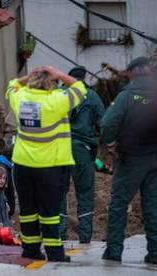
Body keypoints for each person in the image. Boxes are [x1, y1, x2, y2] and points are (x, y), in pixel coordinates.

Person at [6, 66, 87, 262]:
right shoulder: (56, 101)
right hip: (50, 167)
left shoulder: (21, 98)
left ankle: (31, 250)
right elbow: (80, 88)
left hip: (23, 166)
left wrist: (28, 76)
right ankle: (54, 253)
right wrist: (58, 73)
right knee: (50, 212)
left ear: (32, 82)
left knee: (27, 211)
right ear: (52, 83)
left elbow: (11, 86)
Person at [101, 57, 157, 265]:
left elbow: (107, 125)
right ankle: (155, 252)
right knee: (154, 206)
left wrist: (111, 142)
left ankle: (114, 251)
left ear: (132, 73)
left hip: (130, 159)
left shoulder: (126, 96)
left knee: (119, 205)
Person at [59, 66, 105, 243]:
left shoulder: (59, 94)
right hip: (83, 151)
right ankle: (85, 236)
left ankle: (60, 233)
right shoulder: (92, 96)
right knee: (85, 193)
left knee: (59, 191)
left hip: (60, 149)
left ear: (68, 77)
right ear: (84, 77)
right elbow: (104, 123)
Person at [0, 144, 15, 217]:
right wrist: (5, 203)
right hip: (1, 212)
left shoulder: (5, 166)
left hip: (3, 210)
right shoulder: (1, 168)